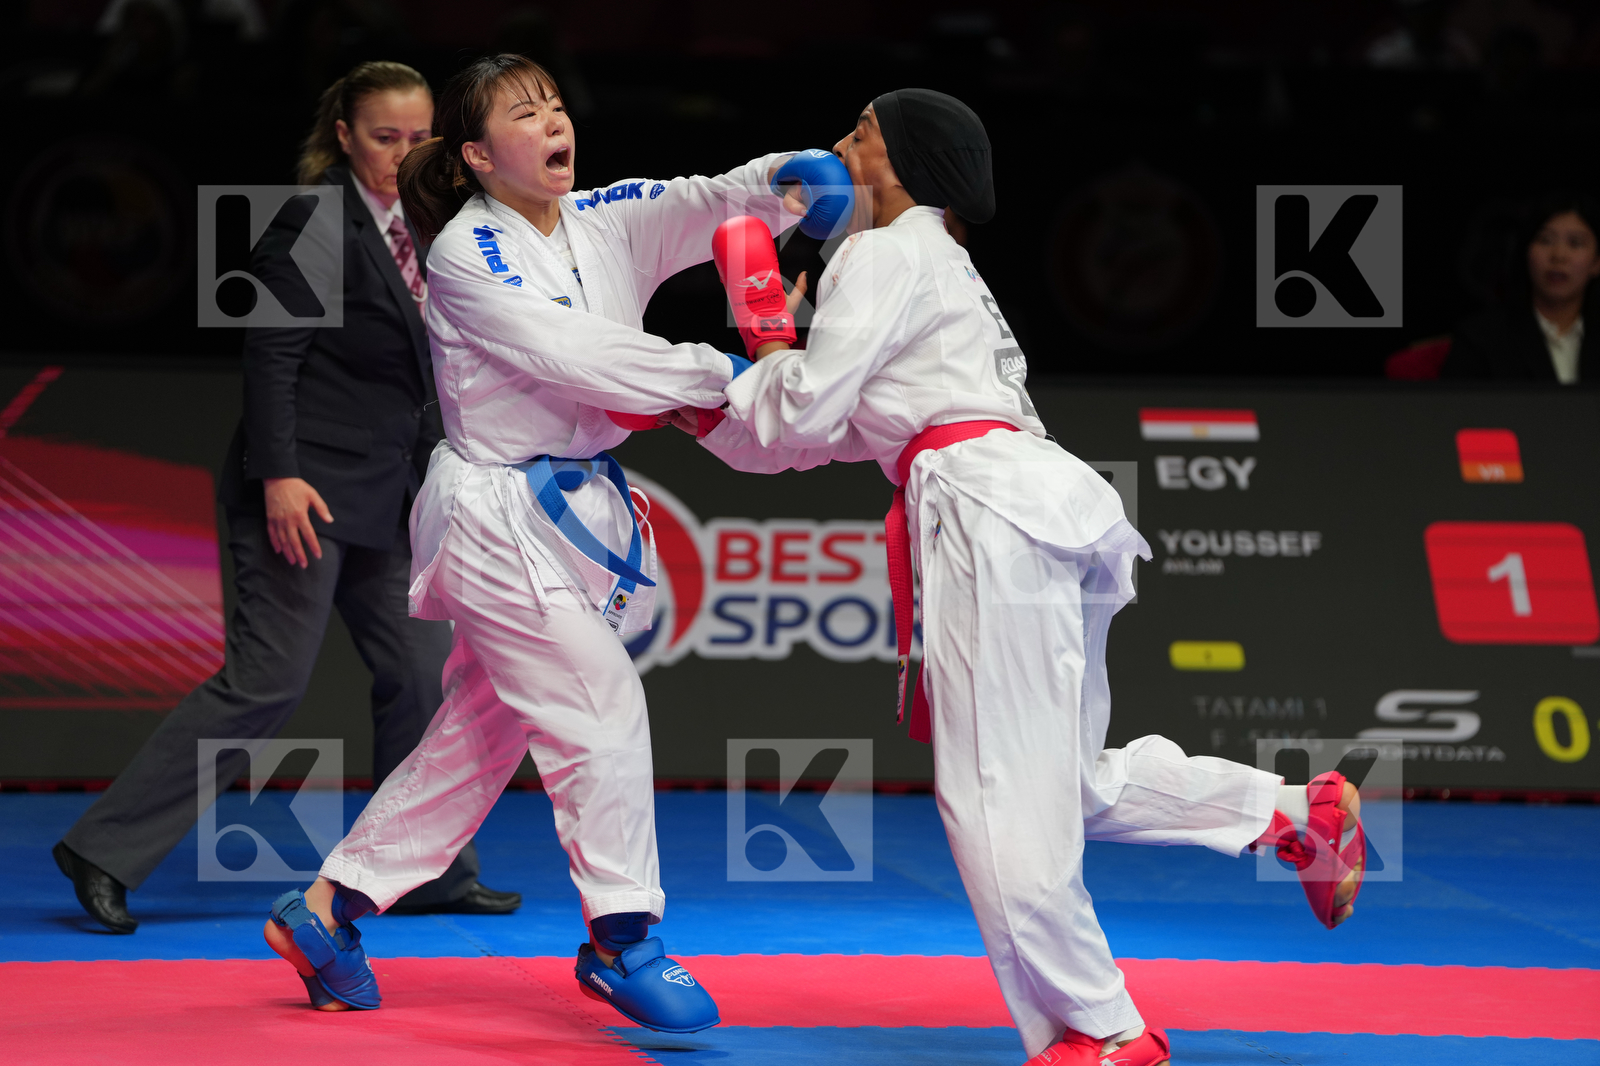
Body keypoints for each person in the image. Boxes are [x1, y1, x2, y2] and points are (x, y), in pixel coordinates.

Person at [683, 90, 1368, 1066]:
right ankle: (1300, 814)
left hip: (985, 515)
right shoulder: (932, 262)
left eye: (861, 131)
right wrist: (748, 384)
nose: (838, 145)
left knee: (998, 794)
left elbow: (800, 413)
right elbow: (813, 428)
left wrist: (760, 343)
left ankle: (1102, 1026)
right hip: (1041, 506)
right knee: (1067, 787)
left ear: (907, 159)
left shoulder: (887, 251)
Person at [258, 54, 833, 1027]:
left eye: (557, 104)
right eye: (526, 114)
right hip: (494, 514)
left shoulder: (604, 217)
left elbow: (705, 201)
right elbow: (577, 355)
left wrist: (786, 180)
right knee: (600, 704)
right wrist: (724, 376)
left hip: (572, 509)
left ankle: (331, 908)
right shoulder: (464, 255)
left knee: (480, 735)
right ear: (479, 155)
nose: (554, 121)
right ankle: (623, 938)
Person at [52, 60, 520, 935]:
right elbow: (270, 353)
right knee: (266, 684)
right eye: (385, 137)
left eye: (418, 137)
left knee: (422, 679)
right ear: (343, 136)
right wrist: (278, 475)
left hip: (393, 495)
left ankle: (426, 870)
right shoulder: (314, 219)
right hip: (303, 490)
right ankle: (104, 849)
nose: (402, 153)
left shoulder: (442, 226)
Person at [1446, 195, 1600, 383]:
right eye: (1545, 240)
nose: (1559, 255)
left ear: (1596, 262)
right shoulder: (1482, 338)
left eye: (1575, 243)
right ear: (1526, 251)